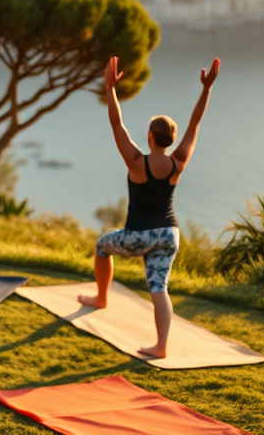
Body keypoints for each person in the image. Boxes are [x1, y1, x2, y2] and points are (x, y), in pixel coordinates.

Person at [78, 55, 221, 358]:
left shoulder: (135, 161)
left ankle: (102, 297)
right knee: (159, 289)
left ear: (149, 137)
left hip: (139, 235)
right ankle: (161, 347)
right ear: (170, 139)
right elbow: (195, 124)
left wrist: (109, 88)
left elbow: (116, 122)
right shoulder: (178, 162)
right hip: (170, 235)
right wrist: (206, 89)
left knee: (102, 246)